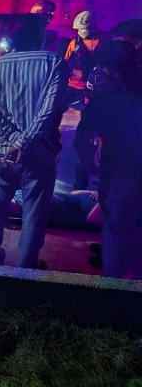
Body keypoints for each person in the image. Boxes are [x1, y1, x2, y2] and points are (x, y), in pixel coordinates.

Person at [0, 26, 68, 269]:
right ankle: (26, 267)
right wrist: (23, 141)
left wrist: (12, 137)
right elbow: (47, 112)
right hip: (39, 152)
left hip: (1, 152)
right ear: (41, 36)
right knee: (34, 214)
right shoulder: (54, 62)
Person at [73, 39, 142, 280]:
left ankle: (115, 291)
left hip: (119, 175)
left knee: (117, 231)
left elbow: (81, 141)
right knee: (130, 229)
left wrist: (93, 171)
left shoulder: (104, 101)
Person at [0, 189, 102, 232]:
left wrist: (101, 201)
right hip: (61, 199)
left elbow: (90, 220)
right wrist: (91, 192)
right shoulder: (100, 197)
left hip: (62, 209)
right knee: (14, 197)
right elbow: (73, 194)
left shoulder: (105, 208)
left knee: (15, 203)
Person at [64, 10, 102, 108]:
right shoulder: (74, 43)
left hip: (93, 89)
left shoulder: (104, 43)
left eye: (82, 28)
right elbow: (65, 63)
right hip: (73, 87)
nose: (79, 32)